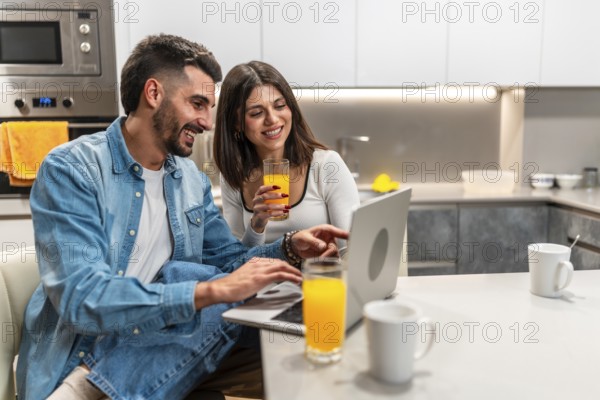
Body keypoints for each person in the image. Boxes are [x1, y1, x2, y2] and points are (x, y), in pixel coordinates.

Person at [16, 34, 347, 400]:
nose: (207, 122)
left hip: (175, 338)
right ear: (154, 94)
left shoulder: (189, 179)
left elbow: (227, 262)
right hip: (91, 352)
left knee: (310, 323)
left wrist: (288, 247)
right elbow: (82, 298)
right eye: (198, 104)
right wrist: (205, 292)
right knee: (192, 279)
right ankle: (82, 392)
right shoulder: (73, 169)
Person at [214, 61, 359, 246]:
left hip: (318, 275)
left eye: (280, 105)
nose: (272, 119)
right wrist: (257, 225)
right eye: (257, 113)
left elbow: (351, 250)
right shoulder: (232, 177)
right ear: (236, 123)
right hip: (262, 276)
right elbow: (236, 261)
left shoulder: (326, 166)